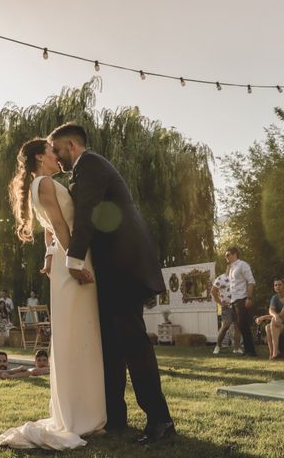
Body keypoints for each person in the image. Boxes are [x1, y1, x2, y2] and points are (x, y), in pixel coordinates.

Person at [52, 124, 172, 443]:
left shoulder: (91, 165)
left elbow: (89, 214)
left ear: (72, 145)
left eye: (58, 150)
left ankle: (161, 420)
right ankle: (115, 417)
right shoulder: (83, 169)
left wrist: (73, 259)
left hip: (124, 267)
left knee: (133, 344)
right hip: (110, 271)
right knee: (112, 347)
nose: (56, 157)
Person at [255, 278, 284, 359]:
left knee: (273, 321)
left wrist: (264, 317)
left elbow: (281, 315)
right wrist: (274, 316)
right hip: (281, 323)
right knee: (267, 327)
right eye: (275, 285)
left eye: (280, 285)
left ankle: (276, 351)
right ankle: (271, 353)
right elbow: (271, 310)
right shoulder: (274, 298)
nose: (278, 287)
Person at [226, 247, 257, 357]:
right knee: (239, 325)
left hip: (242, 298)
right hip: (234, 300)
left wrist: (249, 298)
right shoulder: (231, 268)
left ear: (235, 254)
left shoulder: (243, 265)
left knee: (244, 324)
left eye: (228, 255)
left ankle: (251, 351)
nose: (226, 257)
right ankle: (247, 350)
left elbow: (251, 281)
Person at [212, 268, 242, 355]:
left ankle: (237, 348)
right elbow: (213, 291)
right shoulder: (221, 278)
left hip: (237, 305)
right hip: (227, 306)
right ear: (227, 267)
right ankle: (217, 346)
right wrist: (220, 303)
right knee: (226, 325)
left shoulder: (237, 278)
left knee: (237, 326)